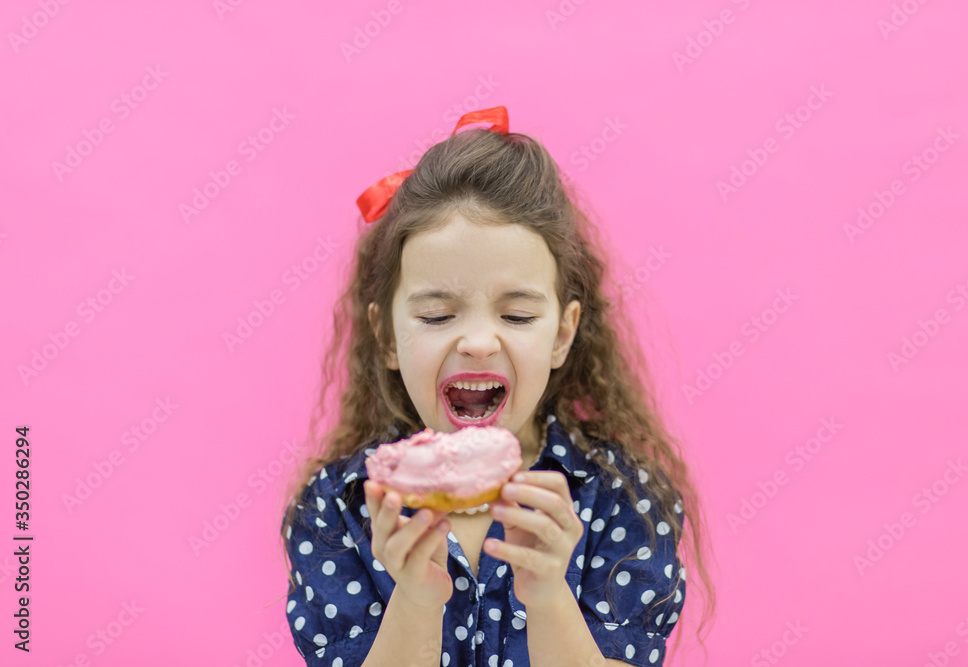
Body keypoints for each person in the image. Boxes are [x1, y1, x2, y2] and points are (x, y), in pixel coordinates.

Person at [279, 106, 716, 667]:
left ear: (563, 335)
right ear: (386, 336)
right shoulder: (340, 505)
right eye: (437, 316)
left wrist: (548, 595)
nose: (479, 342)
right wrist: (414, 600)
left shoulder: (624, 497)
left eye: (516, 316)